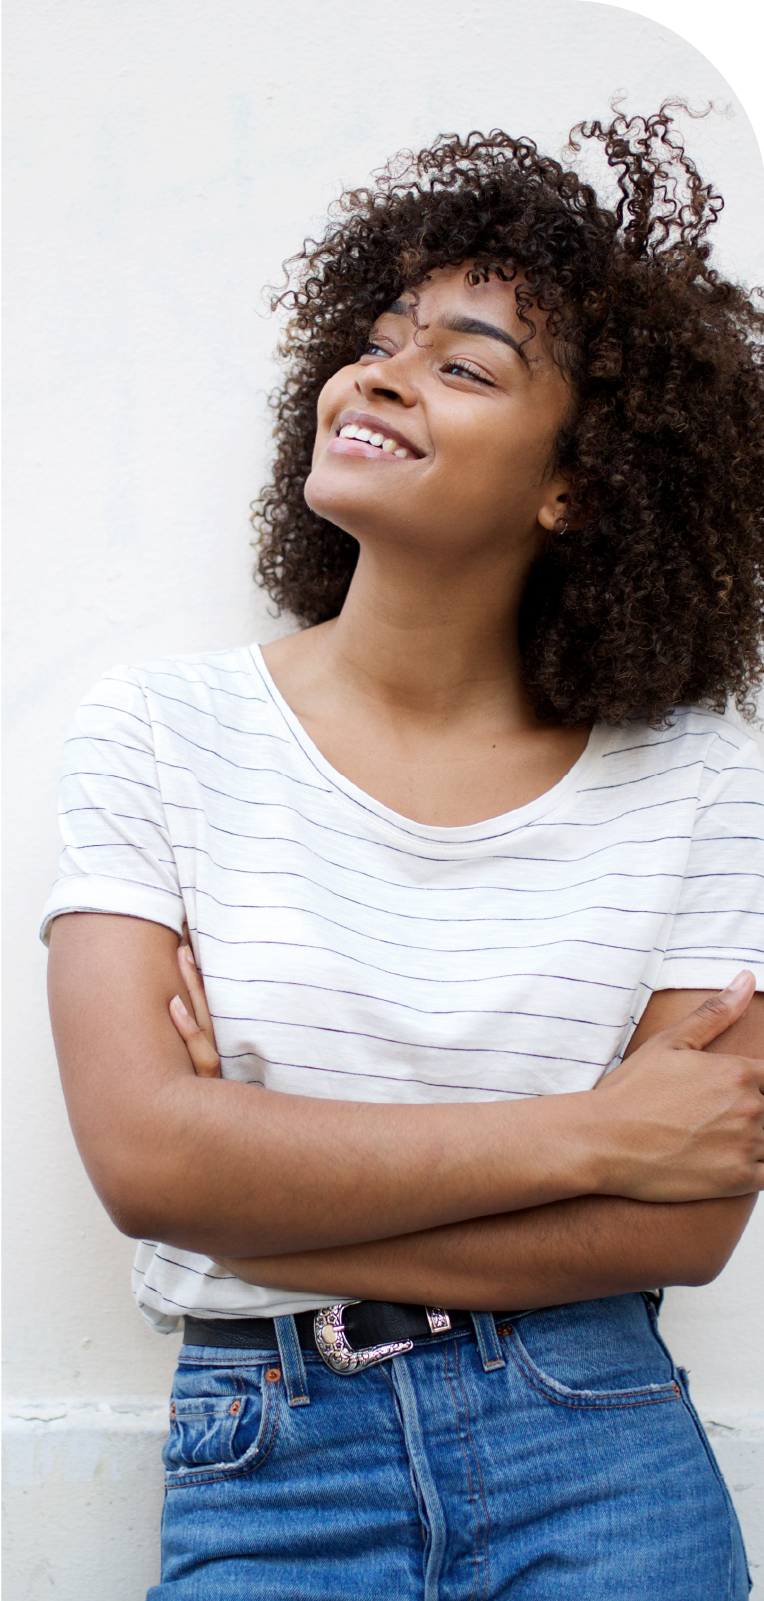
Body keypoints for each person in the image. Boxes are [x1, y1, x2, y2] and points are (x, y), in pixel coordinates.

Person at [43, 109, 764, 1598]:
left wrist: (263, 1182)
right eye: (379, 336)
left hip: (601, 1447)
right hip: (265, 1456)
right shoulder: (161, 733)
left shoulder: (699, 780)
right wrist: (597, 1136)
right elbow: (146, 1160)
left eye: (464, 362)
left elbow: (691, 1220)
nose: (378, 372)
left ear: (576, 483)